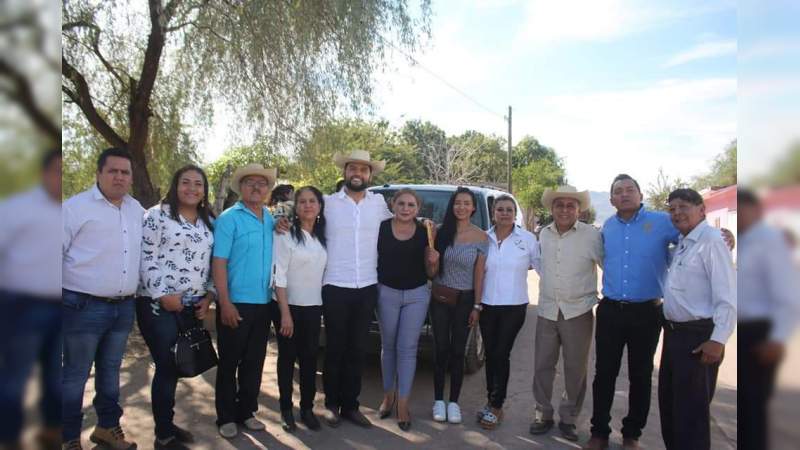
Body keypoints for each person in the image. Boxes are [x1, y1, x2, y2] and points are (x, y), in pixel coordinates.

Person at [583, 174, 734, 450]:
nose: (625, 195)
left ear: (641, 195)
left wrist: (725, 235)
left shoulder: (665, 222)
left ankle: (632, 434)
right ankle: (599, 432)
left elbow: (698, 236)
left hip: (647, 313)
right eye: (618, 191)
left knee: (641, 375)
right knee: (604, 373)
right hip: (611, 311)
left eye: (630, 190)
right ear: (611, 199)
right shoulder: (606, 227)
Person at [62, 147, 144, 450]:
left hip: (123, 308)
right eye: (113, 171)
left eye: (125, 172)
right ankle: (67, 438)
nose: (119, 177)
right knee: (74, 376)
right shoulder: (74, 208)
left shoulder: (136, 210)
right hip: (82, 306)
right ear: (98, 173)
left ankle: (107, 428)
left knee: (110, 373)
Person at [136, 165, 216, 449]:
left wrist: (209, 296)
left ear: (204, 190)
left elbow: (212, 264)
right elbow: (146, 256)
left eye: (198, 183)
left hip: (192, 306)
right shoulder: (156, 215)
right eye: (186, 182)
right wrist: (162, 294)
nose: (192, 188)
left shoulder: (209, 221)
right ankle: (164, 436)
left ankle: (166, 423)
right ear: (175, 185)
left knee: (179, 364)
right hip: (158, 305)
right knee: (167, 366)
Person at [658, 188, 736, 450]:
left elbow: (727, 295)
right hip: (674, 336)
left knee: (691, 414)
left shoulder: (712, 241)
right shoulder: (684, 242)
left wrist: (718, 339)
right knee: (671, 406)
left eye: (684, 207)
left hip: (698, 338)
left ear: (702, 209)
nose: (677, 212)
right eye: (672, 209)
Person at [320, 150, 392, 428]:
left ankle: (351, 405)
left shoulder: (379, 204)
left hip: (367, 286)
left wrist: (426, 226)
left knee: (357, 349)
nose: (358, 174)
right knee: (335, 347)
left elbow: (402, 222)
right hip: (335, 284)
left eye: (364, 170)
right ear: (345, 172)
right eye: (353, 169)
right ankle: (330, 405)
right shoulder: (327, 203)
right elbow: (301, 220)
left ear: (370, 175)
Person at [0, 150, 62, 450]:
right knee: (15, 379)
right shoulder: (15, 208)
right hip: (22, 306)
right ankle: (10, 437)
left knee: (54, 377)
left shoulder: (70, 210)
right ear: (44, 173)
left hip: (61, 307)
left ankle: (51, 431)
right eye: (57, 171)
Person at [529, 186, 602, 442]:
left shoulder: (592, 235)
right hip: (547, 309)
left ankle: (569, 418)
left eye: (571, 205)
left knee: (575, 368)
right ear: (552, 208)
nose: (564, 210)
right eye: (559, 205)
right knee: (542, 365)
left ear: (579, 210)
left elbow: (609, 265)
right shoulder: (543, 235)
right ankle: (542, 413)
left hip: (578, 311)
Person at [212, 163, 277, 439]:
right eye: (250, 182)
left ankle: (246, 412)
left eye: (262, 184)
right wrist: (224, 302)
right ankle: (225, 416)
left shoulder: (271, 219)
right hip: (235, 302)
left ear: (267, 190)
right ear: (241, 187)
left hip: (264, 303)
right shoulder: (229, 218)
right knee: (229, 362)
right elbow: (219, 262)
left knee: (254, 361)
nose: (256, 187)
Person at [737, 189, 800, 450]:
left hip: (759, 332)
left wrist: (777, 338)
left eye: (742, 209)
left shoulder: (770, 241)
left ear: (755, 210)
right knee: (745, 408)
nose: (739, 215)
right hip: (741, 331)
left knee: (753, 407)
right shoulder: (743, 241)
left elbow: (788, 294)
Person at [375, 189, 440, 431]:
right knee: (388, 346)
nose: (405, 208)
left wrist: (434, 262)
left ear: (418, 208)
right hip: (386, 293)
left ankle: (403, 403)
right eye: (401, 203)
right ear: (393, 205)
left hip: (416, 295)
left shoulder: (427, 231)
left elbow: (432, 272)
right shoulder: (381, 228)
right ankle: (388, 396)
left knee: (408, 348)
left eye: (410, 204)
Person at [477, 195, 540, 430]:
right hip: (487, 305)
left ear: (515, 213)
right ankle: (490, 399)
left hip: (514, 306)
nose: (505, 213)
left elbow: (541, 267)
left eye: (509, 209)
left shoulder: (527, 239)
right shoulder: (484, 237)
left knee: (501, 353)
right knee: (490, 354)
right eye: (500, 209)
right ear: (493, 212)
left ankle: (496, 405)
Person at [270, 186, 328, 433]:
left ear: (319, 206)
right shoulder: (285, 234)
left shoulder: (322, 236)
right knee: (286, 359)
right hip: (287, 306)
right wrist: (285, 313)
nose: (307, 205)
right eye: (302, 201)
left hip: (313, 307)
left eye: (312, 201)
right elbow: (278, 275)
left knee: (309, 358)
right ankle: (285, 409)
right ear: (296, 206)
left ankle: (307, 408)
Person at [430, 187, 488, 425]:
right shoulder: (440, 233)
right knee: (440, 349)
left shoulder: (482, 237)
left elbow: (479, 275)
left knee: (457, 352)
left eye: (466, 203)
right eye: (457, 203)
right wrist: (431, 260)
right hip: (441, 298)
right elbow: (431, 272)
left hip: (465, 300)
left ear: (473, 207)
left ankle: (453, 402)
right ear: (452, 206)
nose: (461, 207)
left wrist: (477, 306)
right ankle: (438, 401)